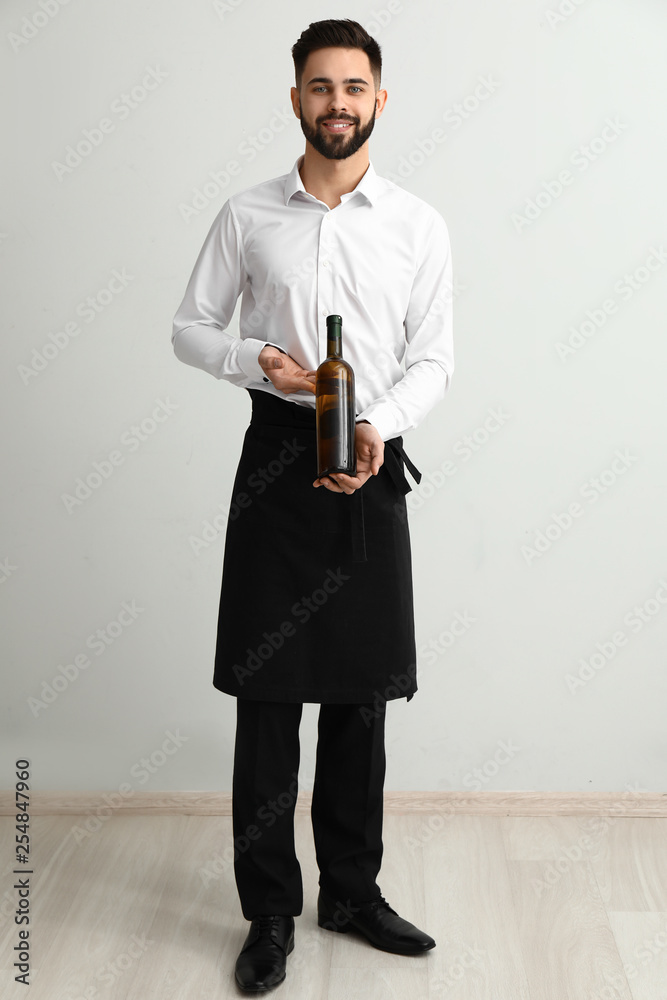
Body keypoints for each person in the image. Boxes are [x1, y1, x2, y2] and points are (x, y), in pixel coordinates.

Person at [172, 18, 454, 994]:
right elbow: (188, 327)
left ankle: (350, 891)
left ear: (379, 99)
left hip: (373, 457)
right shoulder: (248, 216)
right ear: (295, 97)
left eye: (354, 86)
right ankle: (270, 913)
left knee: (361, 697)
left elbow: (433, 359)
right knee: (267, 698)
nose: (337, 101)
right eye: (320, 86)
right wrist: (261, 361)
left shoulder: (418, 224)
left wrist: (377, 425)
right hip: (277, 461)